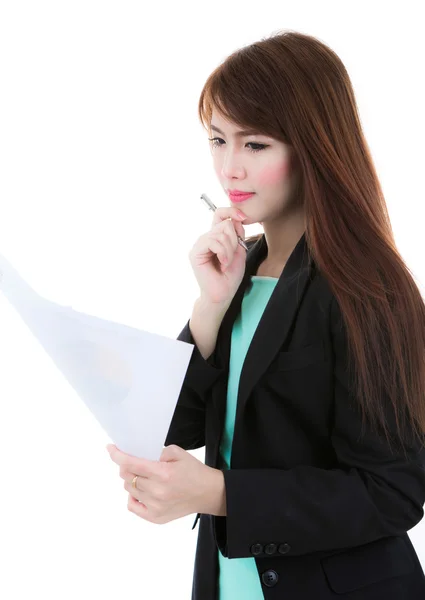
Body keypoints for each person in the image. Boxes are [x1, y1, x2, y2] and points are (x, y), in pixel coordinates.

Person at [165, 30, 425, 600]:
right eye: (217, 140)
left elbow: (391, 491)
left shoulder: (368, 287)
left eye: (255, 145)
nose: (229, 168)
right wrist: (209, 308)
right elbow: (175, 427)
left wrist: (220, 495)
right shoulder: (239, 273)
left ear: (313, 148)